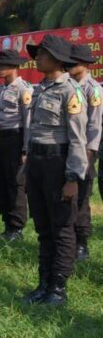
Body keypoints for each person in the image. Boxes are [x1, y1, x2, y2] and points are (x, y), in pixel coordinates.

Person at [22, 35, 87, 306]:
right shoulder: (40, 89)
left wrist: (73, 177)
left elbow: (78, 138)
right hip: (37, 163)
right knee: (43, 228)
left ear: (58, 60)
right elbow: (32, 129)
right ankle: (44, 283)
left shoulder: (70, 91)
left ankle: (58, 289)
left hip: (57, 164)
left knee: (61, 228)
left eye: (43, 54)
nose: (37, 57)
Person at [0, 50, 32, 242]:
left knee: (16, 183)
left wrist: (25, 149)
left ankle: (16, 227)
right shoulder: (1, 90)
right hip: (1, 139)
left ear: (15, 67)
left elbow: (28, 122)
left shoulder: (23, 89)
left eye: (4, 65)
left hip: (16, 139)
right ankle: (7, 222)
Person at [69, 44, 102, 262]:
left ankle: (81, 243)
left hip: (85, 151)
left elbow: (95, 127)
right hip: (69, 149)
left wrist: (89, 157)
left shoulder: (94, 90)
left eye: (75, 62)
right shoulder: (68, 86)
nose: (70, 65)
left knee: (82, 197)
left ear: (86, 65)